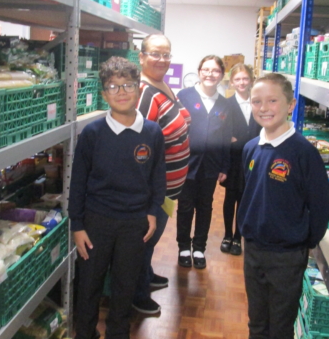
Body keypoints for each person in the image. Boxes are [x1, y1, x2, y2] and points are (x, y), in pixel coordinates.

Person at [68, 57, 167, 339]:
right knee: (89, 284)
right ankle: (85, 333)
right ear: (104, 94)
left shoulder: (152, 132)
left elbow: (158, 177)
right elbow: (78, 182)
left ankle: (118, 333)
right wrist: (77, 225)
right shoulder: (92, 133)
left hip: (135, 223)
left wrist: (152, 211)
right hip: (96, 222)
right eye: (113, 86)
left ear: (138, 89)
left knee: (125, 285)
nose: (121, 91)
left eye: (128, 85)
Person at [237, 73, 329, 339]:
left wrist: (305, 240)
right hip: (254, 249)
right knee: (257, 322)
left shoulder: (303, 153)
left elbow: (322, 204)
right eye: (256, 101)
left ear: (291, 105)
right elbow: (250, 193)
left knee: (280, 326)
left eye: (272, 101)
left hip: (286, 255)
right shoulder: (250, 148)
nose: (264, 108)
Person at [133, 34, 191, 314]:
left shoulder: (162, 85)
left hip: (168, 187)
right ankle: (137, 293)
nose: (162, 60)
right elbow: (139, 149)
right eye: (155, 54)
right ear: (141, 56)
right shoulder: (144, 93)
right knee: (145, 239)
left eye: (166, 54)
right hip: (155, 190)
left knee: (152, 239)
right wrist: (148, 194)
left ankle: (145, 274)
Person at [176, 55, 231, 269]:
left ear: (221, 75)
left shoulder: (225, 104)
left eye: (215, 70)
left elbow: (226, 137)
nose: (210, 74)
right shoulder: (184, 96)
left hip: (211, 165)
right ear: (199, 72)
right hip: (186, 163)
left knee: (205, 207)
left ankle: (199, 247)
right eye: (206, 69)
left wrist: (224, 166)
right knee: (185, 206)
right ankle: (183, 247)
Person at [220, 64, 261, 256]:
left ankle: (238, 236)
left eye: (245, 78)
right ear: (231, 82)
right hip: (233, 160)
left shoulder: (258, 103)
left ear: (251, 80)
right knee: (230, 198)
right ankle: (227, 235)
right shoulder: (227, 104)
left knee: (245, 199)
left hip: (253, 160)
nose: (242, 82)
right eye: (237, 79)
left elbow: (260, 131)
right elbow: (222, 132)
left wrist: (239, 140)